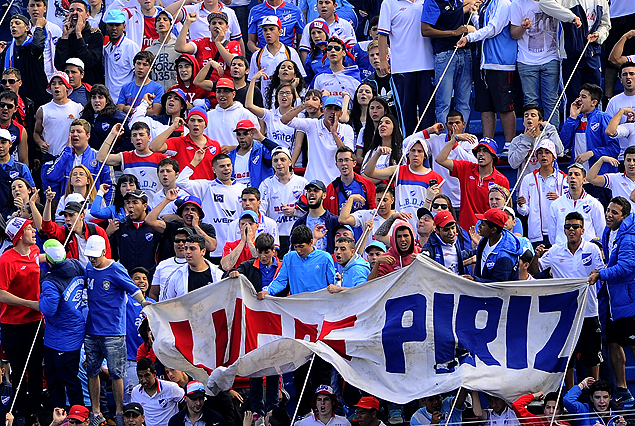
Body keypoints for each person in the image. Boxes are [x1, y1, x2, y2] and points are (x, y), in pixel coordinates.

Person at [530, 211, 604, 388]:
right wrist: (535, 255)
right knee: (567, 356)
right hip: (564, 314)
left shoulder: (592, 249)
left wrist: (595, 276)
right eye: (568, 227)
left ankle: (594, 392)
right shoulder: (555, 251)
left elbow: (601, 272)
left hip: (588, 311)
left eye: (575, 226)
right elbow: (534, 271)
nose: (571, 229)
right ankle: (570, 394)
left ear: (582, 230)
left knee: (592, 356)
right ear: (563, 230)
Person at [83, 235, 151, 426]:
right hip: (92, 329)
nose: (92, 260)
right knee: (92, 370)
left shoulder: (116, 269)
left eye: (95, 256)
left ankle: (119, 411)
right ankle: (96, 412)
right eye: (90, 256)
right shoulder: (88, 267)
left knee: (116, 373)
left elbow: (132, 288)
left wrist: (144, 303)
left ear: (104, 252)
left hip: (113, 330)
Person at [588, 196, 635, 406]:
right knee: (614, 342)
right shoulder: (609, 232)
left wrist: (601, 274)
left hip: (629, 299)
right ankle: (623, 389)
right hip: (613, 299)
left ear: (624, 216)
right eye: (608, 210)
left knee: (634, 344)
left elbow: (626, 267)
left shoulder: (628, 237)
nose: (609, 214)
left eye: (615, 212)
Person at [457, 0, 517, 152]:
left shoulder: (503, 3)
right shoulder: (488, 4)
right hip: (484, 62)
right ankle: (487, 143)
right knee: (485, 106)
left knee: (504, 105)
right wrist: (475, 15)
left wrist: (469, 38)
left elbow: (493, 29)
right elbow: (483, 28)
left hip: (501, 63)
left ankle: (509, 144)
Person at [0, 218, 43, 423]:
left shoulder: (34, 251)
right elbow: (1, 293)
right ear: (18, 236)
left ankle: (35, 411)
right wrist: (29, 303)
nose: (33, 231)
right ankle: (19, 414)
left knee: (35, 367)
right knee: (19, 370)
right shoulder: (6, 260)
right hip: (13, 324)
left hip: (35, 320)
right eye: (28, 228)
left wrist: (54, 256)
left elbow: (37, 260)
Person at [39, 239, 86, 408]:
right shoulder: (76, 264)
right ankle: (74, 414)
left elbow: (48, 309)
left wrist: (40, 295)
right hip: (70, 330)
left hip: (62, 338)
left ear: (49, 260)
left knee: (61, 379)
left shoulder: (50, 282)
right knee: (65, 378)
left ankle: (73, 414)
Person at [377, 0, 435, 135]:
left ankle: (429, 151)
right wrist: (383, 60)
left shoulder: (427, 1)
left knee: (428, 114)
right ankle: (409, 149)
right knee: (407, 114)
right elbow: (382, 35)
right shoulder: (388, 3)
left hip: (427, 65)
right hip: (402, 68)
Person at [175, 152, 245, 261]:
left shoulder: (242, 188)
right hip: (214, 249)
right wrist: (195, 161)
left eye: (228, 165)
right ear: (214, 170)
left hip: (236, 248)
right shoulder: (206, 186)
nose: (226, 169)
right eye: (222, 166)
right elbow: (180, 181)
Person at [366, 137, 444, 231]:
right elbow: (369, 172)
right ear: (408, 154)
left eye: (420, 151)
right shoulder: (398, 171)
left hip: (423, 229)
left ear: (425, 156)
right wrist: (378, 154)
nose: (416, 154)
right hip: (400, 226)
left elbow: (438, 207)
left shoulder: (435, 177)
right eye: (413, 150)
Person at [407, 111, 478, 212]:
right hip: (442, 203)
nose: (454, 126)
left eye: (457, 123)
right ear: (446, 125)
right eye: (450, 123)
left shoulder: (471, 139)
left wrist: (455, 142)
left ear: (463, 124)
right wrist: (429, 130)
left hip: (464, 200)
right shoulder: (437, 139)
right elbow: (407, 144)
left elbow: (474, 163)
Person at [561, 84, 619, 205]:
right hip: (579, 181)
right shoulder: (574, 120)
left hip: (599, 179)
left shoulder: (603, 118)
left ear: (594, 102)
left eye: (583, 97)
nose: (579, 100)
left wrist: (592, 153)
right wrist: (572, 117)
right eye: (579, 96)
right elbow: (562, 145)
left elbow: (614, 148)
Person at [436, 137, 509, 231]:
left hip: (488, 231)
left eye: (485, 151)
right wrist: (454, 139)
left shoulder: (502, 180)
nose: (481, 154)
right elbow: (440, 159)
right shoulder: (466, 168)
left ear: (493, 156)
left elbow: (504, 209)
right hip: (464, 229)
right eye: (478, 151)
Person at [282, 96, 355, 184]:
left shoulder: (347, 129)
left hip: (336, 184)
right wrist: (305, 105)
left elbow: (347, 155)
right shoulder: (313, 125)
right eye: (329, 108)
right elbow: (284, 119)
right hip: (313, 183)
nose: (332, 112)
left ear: (341, 113)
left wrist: (334, 134)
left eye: (336, 109)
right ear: (323, 111)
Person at [420, 0, 472, 125]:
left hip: (465, 51)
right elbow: (425, 30)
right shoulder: (432, 1)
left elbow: (453, 12)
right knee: (444, 102)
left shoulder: (458, 1)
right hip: (445, 53)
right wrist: (454, 32)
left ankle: (461, 141)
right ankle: (444, 141)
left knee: (464, 103)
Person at [45, 119, 113, 205]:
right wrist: (67, 152)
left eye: (79, 131)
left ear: (88, 136)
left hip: (91, 208)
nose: (75, 134)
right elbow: (52, 176)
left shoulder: (99, 157)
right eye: (72, 132)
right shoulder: (65, 156)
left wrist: (107, 210)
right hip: (68, 208)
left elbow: (110, 186)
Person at [97, 122, 167, 205]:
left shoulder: (161, 158)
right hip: (131, 210)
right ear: (131, 139)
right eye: (134, 135)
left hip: (155, 208)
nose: (138, 138)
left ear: (149, 138)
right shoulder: (125, 156)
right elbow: (101, 158)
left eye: (141, 135)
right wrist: (112, 134)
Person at [41, 186, 111, 264]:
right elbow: (47, 227)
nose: (67, 219)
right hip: (74, 275)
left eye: (71, 215)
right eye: (65, 216)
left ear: (82, 216)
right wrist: (48, 202)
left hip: (95, 273)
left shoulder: (97, 231)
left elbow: (106, 256)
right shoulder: (64, 233)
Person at [516, 139, 568, 246]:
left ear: (554, 156)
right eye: (540, 153)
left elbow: (570, 206)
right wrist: (521, 205)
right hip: (536, 234)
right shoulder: (528, 179)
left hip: (558, 233)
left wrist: (560, 199)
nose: (543, 155)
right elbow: (524, 211)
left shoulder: (564, 179)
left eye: (547, 152)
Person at [258, 146, 308, 255]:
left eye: (283, 160)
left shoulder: (302, 182)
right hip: (276, 236)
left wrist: (295, 211)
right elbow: (261, 211)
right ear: (272, 164)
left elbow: (310, 209)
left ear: (290, 162)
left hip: (298, 234)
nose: (279, 163)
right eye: (275, 160)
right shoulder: (266, 184)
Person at [150, 109, 222, 181]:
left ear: (205, 125)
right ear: (187, 123)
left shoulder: (215, 145)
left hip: (207, 190)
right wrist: (173, 127)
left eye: (200, 121)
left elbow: (219, 172)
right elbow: (154, 147)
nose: (196, 124)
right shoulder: (178, 142)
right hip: (184, 190)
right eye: (192, 120)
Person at [146, 190, 217, 260]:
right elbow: (149, 220)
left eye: (193, 209)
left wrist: (196, 226)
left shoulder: (207, 228)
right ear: (182, 213)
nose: (189, 212)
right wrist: (167, 200)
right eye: (186, 209)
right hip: (175, 267)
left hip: (197, 269)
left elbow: (212, 247)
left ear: (199, 213)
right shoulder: (173, 227)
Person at [174, 11, 241, 83]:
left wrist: (217, 42)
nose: (217, 25)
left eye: (220, 23)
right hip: (203, 87)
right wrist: (187, 23)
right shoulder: (201, 42)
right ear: (209, 28)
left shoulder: (233, 44)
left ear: (227, 27)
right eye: (213, 23)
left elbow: (233, 63)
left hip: (224, 88)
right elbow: (179, 47)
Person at [549, 164, 605, 246]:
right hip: (562, 252)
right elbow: (552, 234)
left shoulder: (594, 203)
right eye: (570, 174)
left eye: (577, 174)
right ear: (567, 180)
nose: (572, 176)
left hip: (586, 252)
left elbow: (601, 231)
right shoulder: (556, 204)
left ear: (584, 180)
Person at [0, 14, 49, 109]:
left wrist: (38, 27)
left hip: (35, 97)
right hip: (15, 100)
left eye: (17, 23)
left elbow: (38, 47)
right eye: (11, 24)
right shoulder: (8, 51)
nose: (13, 26)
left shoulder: (31, 46)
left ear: (27, 28)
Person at [507, 104, 564, 184]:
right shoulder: (517, 140)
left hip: (548, 184)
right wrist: (526, 140)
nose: (529, 117)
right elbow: (513, 163)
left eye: (533, 115)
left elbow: (559, 151)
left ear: (540, 121)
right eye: (526, 116)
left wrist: (549, 128)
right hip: (526, 187)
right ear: (523, 122)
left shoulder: (547, 138)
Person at [54, 0, 104, 85]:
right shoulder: (63, 38)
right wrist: (65, 37)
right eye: (71, 10)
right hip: (68, 88)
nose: (75, 13)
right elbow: (59, 65)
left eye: (79, 10)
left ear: (87, 15)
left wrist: (78, 35)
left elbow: (89, 62)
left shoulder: (95, 35)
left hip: (90, 88)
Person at [467, 208, 523, 282]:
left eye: (483, 224)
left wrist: (475, 280)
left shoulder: (504, 257)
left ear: (493, 230)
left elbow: (499, 285)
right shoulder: (486, 239)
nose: (479, 226)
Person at [163, 234, 224, 300]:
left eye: (192, 249)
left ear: (203, 251)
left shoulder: (218, 274)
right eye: (186, 248)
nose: (188, 252)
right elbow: (166, 303)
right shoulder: (176, 276)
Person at [338, 183, 395, 250]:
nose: (381, 204)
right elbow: (342, 219)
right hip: (369, 259)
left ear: (392, 200)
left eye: (385, 200)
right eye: (378, 200)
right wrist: (351, 199)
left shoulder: (399, 218)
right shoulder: (367, 215)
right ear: (374, 200)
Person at [325, 146, 376, 220]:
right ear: (337, 165)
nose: (343, 163)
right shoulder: (331, 188)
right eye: (340, 160)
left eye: (347, 160)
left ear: (354, 163)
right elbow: (328, 216)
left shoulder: (367, 184)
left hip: (362, 229)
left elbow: (373, 211)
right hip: (341, 230)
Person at [131, 358, 184, 426]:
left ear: (154, 373)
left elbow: (186, 404)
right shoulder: (135, 392)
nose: (144, 380)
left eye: (147, 375)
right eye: (140, 376)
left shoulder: (171, 388)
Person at [227, 119, 278, 188]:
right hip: (237, 196)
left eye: (245, 133)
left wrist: (262, 138)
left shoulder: (261, 151)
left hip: (258, 195)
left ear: (252, 134)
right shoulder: (230, 156)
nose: (241, 137)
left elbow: (280, 152)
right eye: (239, 134)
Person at [292, 180, 340, 253]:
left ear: (324, 195)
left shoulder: (334, 221)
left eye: (316, 191)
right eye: (309, 191)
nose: (311, 193)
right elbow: (293, 249)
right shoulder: (299, 223)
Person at [102, 9, 139, 101]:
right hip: (109, 100)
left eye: (117, 25)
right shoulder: (106, 48)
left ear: (124, 26)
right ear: (107, 26)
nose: (114, 28)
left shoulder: (131, 46)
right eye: (111, 25)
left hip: (125, 100)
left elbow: (140, 74)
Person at [421, 211, 473, 275]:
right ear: (437, 230)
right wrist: (419, 258)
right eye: (446, 230)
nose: (451, 232)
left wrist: (478, 251)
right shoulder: (430, 247)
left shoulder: (456, 239)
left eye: (453, 227)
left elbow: (455, 255)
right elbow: (422, 262)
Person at [80, 84, 130, 151]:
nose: (97, 100)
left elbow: (132, 134)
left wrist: (119, 151)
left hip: (110, 158)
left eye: (100, 97)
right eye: (94, 97)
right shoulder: (85, 117)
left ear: (107, 100)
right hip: (90, 157)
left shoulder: (117, 116)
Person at [0, 129, 34, 212]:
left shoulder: (21, 168)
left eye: (3, 142)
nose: (0, 146)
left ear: (10, 144)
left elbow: (33, 193)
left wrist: (24, 208)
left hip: (16, 214)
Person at [146, 10, 179, 91]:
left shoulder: (178, 48)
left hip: (175, 92)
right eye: (158, 20)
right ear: (155, 27)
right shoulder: (149, 50)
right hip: (156, 94)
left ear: (171, 26)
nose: (161, 21)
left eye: (165, 19)